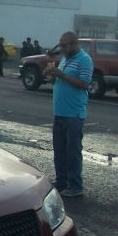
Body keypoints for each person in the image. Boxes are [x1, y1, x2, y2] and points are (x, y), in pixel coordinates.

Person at [42, 31, 93, 198]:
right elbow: (58, 81)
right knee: (59, 149)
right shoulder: (65, 59)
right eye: (61, 45)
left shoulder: (84, 60)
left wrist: (62, 74)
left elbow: (85, 84)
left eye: (64, 45)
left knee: (73, 151)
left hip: (74, 113)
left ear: (74, 43)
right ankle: (62, 180)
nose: (62, 49)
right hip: (60, 112)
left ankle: (75, 185)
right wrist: (52, 75)